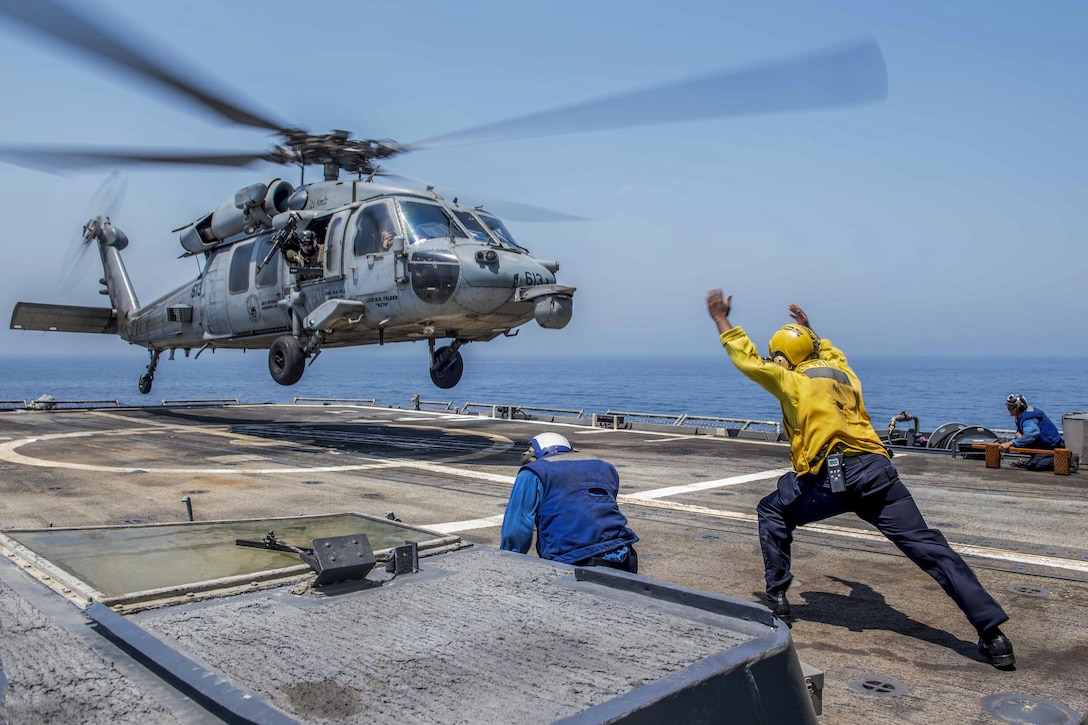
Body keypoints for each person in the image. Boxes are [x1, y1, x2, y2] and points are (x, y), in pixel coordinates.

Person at [704, 290, 1015, 669]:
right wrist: (810, 331)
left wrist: (721, 320)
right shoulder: (844, 374)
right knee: (932, 549)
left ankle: (778, 597)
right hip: (879, 474)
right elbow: (831, 354)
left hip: (833, 478)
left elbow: (749, 361)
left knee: (772, 511)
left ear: (784, 359)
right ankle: (993, 635)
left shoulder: (791, 381)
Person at [500, 432, 639, 573]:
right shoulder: (605, 468)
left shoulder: (534, 472)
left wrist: (508, 562)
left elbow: (517, 528)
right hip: (624, 553)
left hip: (573, 559)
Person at [1000, 394, 1064, 471]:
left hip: (1052, 446)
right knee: (1021, 445)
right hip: (1040, 444)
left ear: (1019, 407)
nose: (1008, 409)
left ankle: (1064, 460)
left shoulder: (1029, 419)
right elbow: (1022, 432)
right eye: (1008, 406)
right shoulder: (1019, 416)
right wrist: (1018, 434)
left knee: (1033, 466)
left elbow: (1031, 435)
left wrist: (1010, 443)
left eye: (1011, 407)